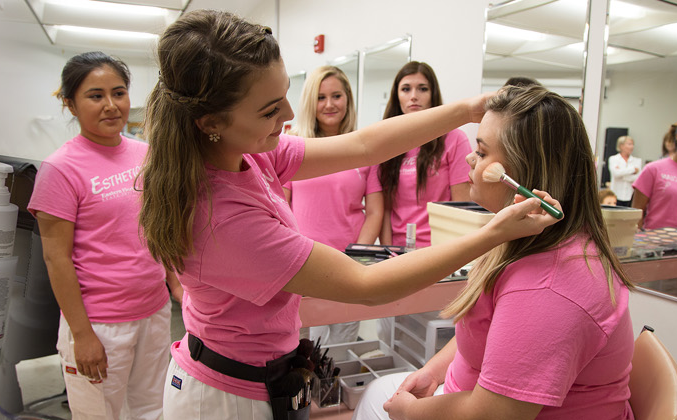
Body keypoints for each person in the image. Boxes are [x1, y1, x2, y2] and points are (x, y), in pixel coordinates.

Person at [138, 10, 560, 419]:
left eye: (284, 94)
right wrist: (493, 234)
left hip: (266, 371)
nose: (287, 116)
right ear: (211, 122)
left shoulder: (248, 152)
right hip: (227, 398)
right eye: (269, 110)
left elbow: (363, 147)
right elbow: (366, 284)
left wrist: (467, 110)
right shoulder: (220, 218)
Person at [355, 85, 635, 420]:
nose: (470, 159)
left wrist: (413, 413)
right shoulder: (524, 242)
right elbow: (487, 333)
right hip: (469, 395)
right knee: (375, 392)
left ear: (517, 175)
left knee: (377, 401)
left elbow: (493, 414)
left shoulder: (547, 289)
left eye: (483, 152)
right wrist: (433, 371)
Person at [28, 51, 180, 420]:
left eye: (119, 92)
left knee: (153, 411)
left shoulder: (147, 155)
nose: (111, 105)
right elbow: (56, 258)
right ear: (70, 104)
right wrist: (82, 336)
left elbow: (160, 230)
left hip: (154, 312)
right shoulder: (60, 169)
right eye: (95, 96)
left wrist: (177, 287)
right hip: (99, 324)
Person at [283, 65, 381, 345]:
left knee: (341, 349)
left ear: (347, 99)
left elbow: (374, 211)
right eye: (320, 97)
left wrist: (357, 257)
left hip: (346, 266)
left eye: (336, 96)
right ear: (310, 102)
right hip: (301, 264)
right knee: (299, 347)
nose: (329, 104)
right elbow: (281, 206)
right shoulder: (293, 146)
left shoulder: (365, 148)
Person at [372, 61, 473, 249]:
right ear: (397, 96)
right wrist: (387, 252)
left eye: (422, 89)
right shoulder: (386, 142)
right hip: (397, 252)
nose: (413, 97)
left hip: (439, 249)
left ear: (433, 95)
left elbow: (462, 208)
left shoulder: (454, 139)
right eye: (406, 89)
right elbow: (385, 211)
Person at [608, 136, 643, 207]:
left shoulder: (637, 161)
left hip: (630, 197)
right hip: (615, 196)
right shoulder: (613, 159)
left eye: (633, 144)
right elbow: (616, 174)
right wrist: (633, 170)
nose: (632, 147)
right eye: (629, 144)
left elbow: (637, 179)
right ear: (621, 146)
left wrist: (621, 173)